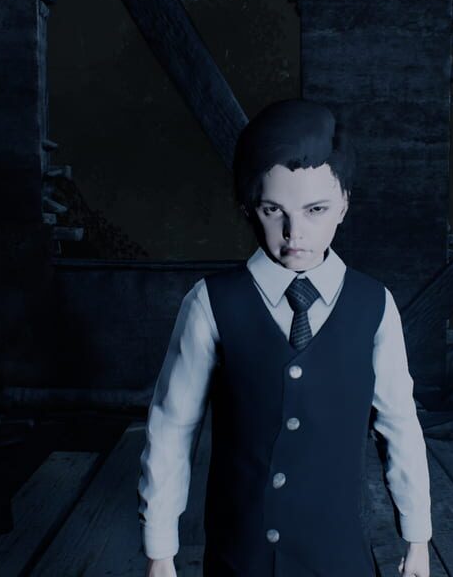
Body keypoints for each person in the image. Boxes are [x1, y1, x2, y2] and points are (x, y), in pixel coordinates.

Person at [138, 99, 432, 576]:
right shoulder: (210, 302)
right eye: (274, 210)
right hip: (240, 558)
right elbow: (172, 427)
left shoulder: (375, 305)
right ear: (248, 207)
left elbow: (399, 425)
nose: (295, 233)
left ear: (344, 204)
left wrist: (417, 537)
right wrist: (160, 551)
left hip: (340, 560)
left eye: (316, 209)